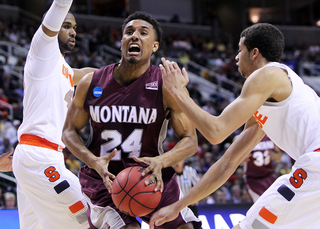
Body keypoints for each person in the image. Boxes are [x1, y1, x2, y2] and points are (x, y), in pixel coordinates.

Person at [150, 23, 320, 229]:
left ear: (254, 53)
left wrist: (178, 92)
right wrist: (179, 205)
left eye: (241, 50)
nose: (237, 57)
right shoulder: (269, 100)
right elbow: (228, 163)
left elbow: (216, 132)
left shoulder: (266, 75)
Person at [62, 11, 202, 229]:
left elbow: (190, 140)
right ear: (121, 43)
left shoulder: (167, 86)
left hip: (150, 176)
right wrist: (93, 161)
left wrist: (161, 161)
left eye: (143, 33)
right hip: (103, 181)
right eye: (129, 32)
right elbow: (68, 131)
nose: (134, 36)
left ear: (154, 46)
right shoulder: (92, 82)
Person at [12, 0, 96, 228]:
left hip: (42, 157)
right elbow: (59, 6)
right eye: (66, 25)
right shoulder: (42, 49)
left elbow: (87, 74)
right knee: (88, 217)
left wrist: (124, 73)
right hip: (39, 157)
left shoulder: (63, 68)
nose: (73, 31)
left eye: (75, 27)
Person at [239, 134, 279, 202]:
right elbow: (240, 161)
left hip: (269, 176)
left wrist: (274, 155)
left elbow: (279, 158)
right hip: (253, 179)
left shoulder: (271, 136)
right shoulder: (246, 137)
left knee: (274, 203)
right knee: (261, 204)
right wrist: (241, 158)